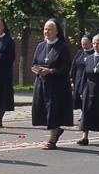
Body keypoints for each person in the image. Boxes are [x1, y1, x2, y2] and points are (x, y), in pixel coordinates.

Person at [29, 18, 72, 148]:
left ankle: (52, 140)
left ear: (57, 31)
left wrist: (51, 71)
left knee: (53, 110)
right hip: (42, 83)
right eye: (45, 29)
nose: (47, 32)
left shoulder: (62, 47)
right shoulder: (41, 46)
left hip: (56, 85)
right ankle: (56, 131)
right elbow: (34, 63)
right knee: (43, 110)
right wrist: (38, 70)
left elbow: (66, 67)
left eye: (50, 29)